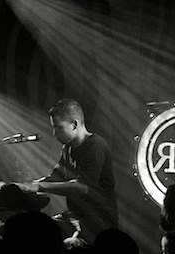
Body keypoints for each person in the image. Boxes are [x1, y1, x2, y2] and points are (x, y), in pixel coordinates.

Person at [19, 98, 118, 245]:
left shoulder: (95, 146)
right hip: (75, 216)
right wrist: (26, 186)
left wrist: (38, 187)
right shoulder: (68, 148)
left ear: (75, 124)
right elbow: (55, 177)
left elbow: (83, 187)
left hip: (98, 219)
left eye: (59, 128)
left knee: (69, 246)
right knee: (35, 233)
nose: (54, 133)